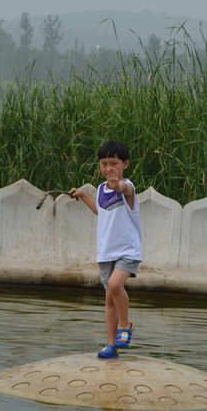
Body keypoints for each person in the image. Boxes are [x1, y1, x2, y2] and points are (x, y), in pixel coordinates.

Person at [69, 140, 142, 359]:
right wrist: (83, 196)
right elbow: (101, 211)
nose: (108, 168)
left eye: (114, 163)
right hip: (106, 252)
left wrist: (117, 184)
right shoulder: (101, 189)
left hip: (127, 250)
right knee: (109, 298)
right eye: (103, 164)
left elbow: (123, 188)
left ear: (125, 164)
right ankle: (112, 345)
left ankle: (125, 325)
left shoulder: (127, 187)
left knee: (115, 284)